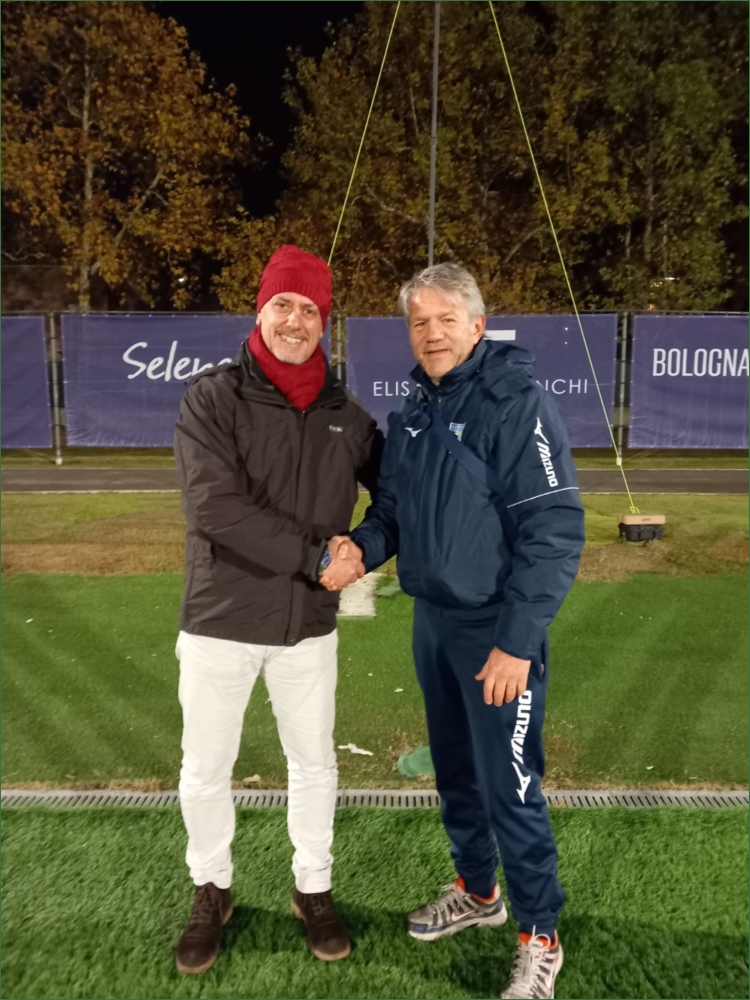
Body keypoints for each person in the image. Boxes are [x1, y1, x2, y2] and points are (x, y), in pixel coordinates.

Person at [321, 263, 585, 999]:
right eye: (419, 322)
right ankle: (478, 891)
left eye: (446, 320)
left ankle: (540, 934)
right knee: (457, 774)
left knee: (511, 787)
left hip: (496, 631)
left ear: (476, 325)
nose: (432, 334)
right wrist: (360, 548)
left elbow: (555, 529)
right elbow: (393, 513)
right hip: (433, 623)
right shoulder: (412, 410)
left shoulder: (517, 402)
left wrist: (516, 641)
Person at [173, 245, 382, 974]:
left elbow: (398, 492)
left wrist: (364, 548)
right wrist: (319, 557)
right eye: (282, 304)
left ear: (325, 322)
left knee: (314, 763)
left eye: (310, 309)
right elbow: (214, 508)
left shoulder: (347, 415)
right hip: (220, 620)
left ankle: (312, 887)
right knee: (206, 767)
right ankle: (212, 888)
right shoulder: (213, 397)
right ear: (260, 310)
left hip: (305, 626)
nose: (295, 320)